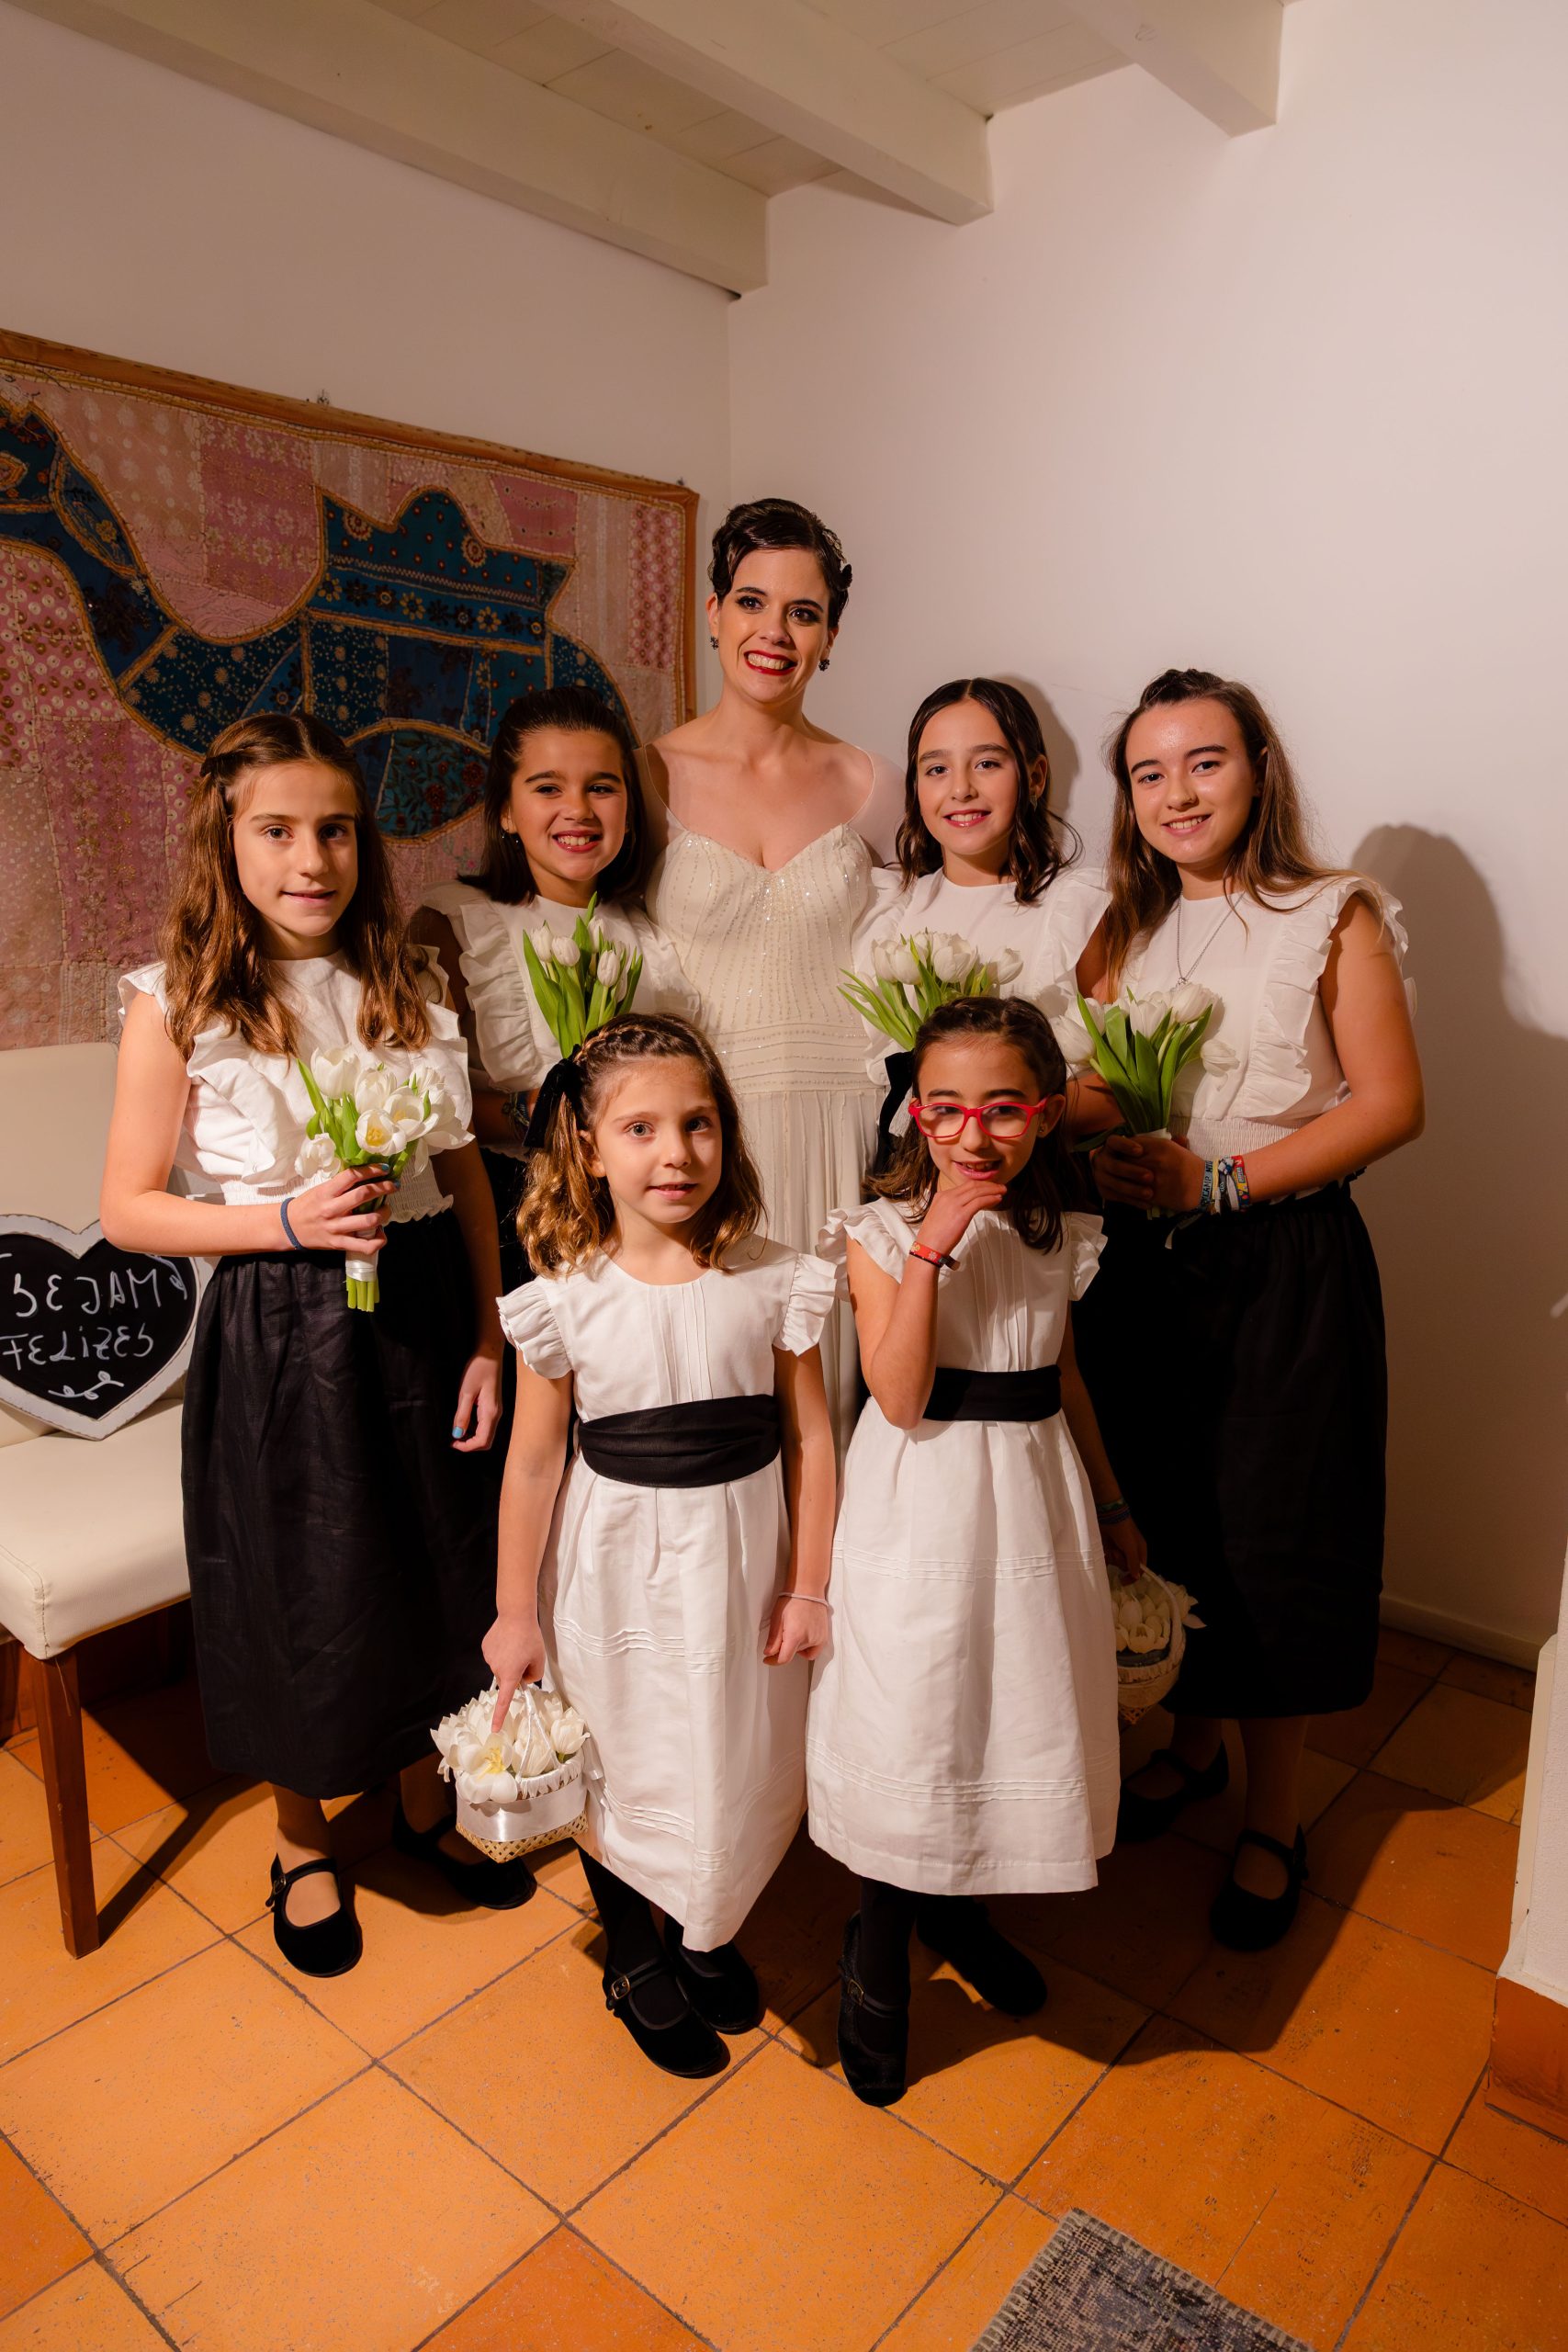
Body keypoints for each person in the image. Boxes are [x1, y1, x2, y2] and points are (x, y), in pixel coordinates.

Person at [100, 713, 524, 1982]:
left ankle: (424, 1794)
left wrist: (490, 1334)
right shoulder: (176, 1002)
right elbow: (128, 1209)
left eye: (335, 829)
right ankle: (300, 1836)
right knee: (302, 1580)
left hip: (424, 1298)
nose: (311, 858)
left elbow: (463, 1174)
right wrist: (281, 1221)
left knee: (436, 1551)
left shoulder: (410, 983)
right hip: (281, 1319)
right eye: (277, 830)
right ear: (224, 842)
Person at [1072, 667, 1423, 1952]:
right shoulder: (1119, 931)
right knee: (1168, 1519)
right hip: (1144, 1271)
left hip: (1281, 1265)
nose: (1175, 793)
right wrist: (1087, 1144)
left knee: (1274, 1534)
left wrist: (1212, 1182)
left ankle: (1275, 1815)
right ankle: (1191, 1742)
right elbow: (1100, 1088)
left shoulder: (1333, 913)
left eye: (1203, 761)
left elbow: (1389, 1103)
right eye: (1148, 772)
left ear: (1258, 769)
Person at [483, 1014, 838, 2079]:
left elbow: (812, 1439)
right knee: (626, 1750)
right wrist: (514, 1612)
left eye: (698, 1123)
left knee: (729, 1749)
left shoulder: (775, 1278)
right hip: (614, 1571)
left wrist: (809, 1586)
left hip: (743, 1568)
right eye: (640, 1128)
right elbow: (533, 1465)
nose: (676, 1152)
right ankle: (634, 1951)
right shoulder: (565, 1296)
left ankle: (704, 1924)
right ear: (588, 1147)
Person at [807, 997, 1142, 2107]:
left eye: (1002, 1109)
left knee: (1002, 1702)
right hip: (924, 1500)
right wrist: (932, 1248)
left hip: (1032, 1493)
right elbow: (899, 1397)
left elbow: (1068, 1373)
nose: (972, 1135)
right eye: (945, 1108)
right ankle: (877, 1943)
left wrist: (1111, 1501)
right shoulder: (878, 1230)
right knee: (920, 1711)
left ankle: (957, 1907)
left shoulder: (1059, 1228)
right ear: (915, 1112)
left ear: (1045, 1114)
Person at [642, 498, 902, 1439]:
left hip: (847, 1131)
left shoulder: (874, 784)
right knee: (713, 1394)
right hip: (707, 1136)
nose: (774, 633)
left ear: (830, 636)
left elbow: (934, 940)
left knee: (834, 1405)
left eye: (803, 612)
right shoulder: (644, 775)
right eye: (752, 603)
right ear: (713, 612)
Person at [413, 685, 695, 1292]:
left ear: (628, 808)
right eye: (548, 788)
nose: (579, 810)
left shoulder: (653, 937)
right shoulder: (456, 924)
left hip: (645, 1224)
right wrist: (543, 1114)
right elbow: (427, 1110)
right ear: (506, 811)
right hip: (508, 1221)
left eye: (601, 787)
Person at [851, 676, 1107, 1156]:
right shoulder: (892, 911)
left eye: (987, 764)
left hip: (1036, 1172)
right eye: (937, 769)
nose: (961, 789)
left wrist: (998, 1127)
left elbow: (1118, 1082)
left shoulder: (1075, 907)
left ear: (1035, 776)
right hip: (913, 1175)